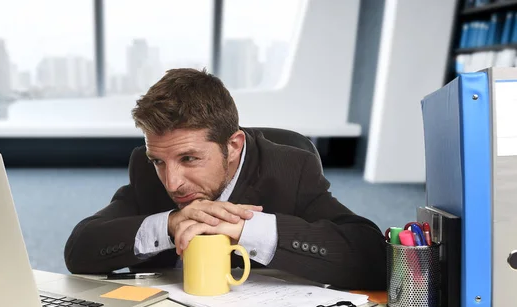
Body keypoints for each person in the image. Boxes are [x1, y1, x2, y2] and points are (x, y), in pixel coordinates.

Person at [64, 68, 386, 290]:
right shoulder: (147, 170)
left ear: (232, 146)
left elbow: (371, 258)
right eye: (160, 161)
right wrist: (169, 224)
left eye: (189, 158)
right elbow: (80, 250)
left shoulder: (290, 169)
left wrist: (245, 229)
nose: (172, 182)